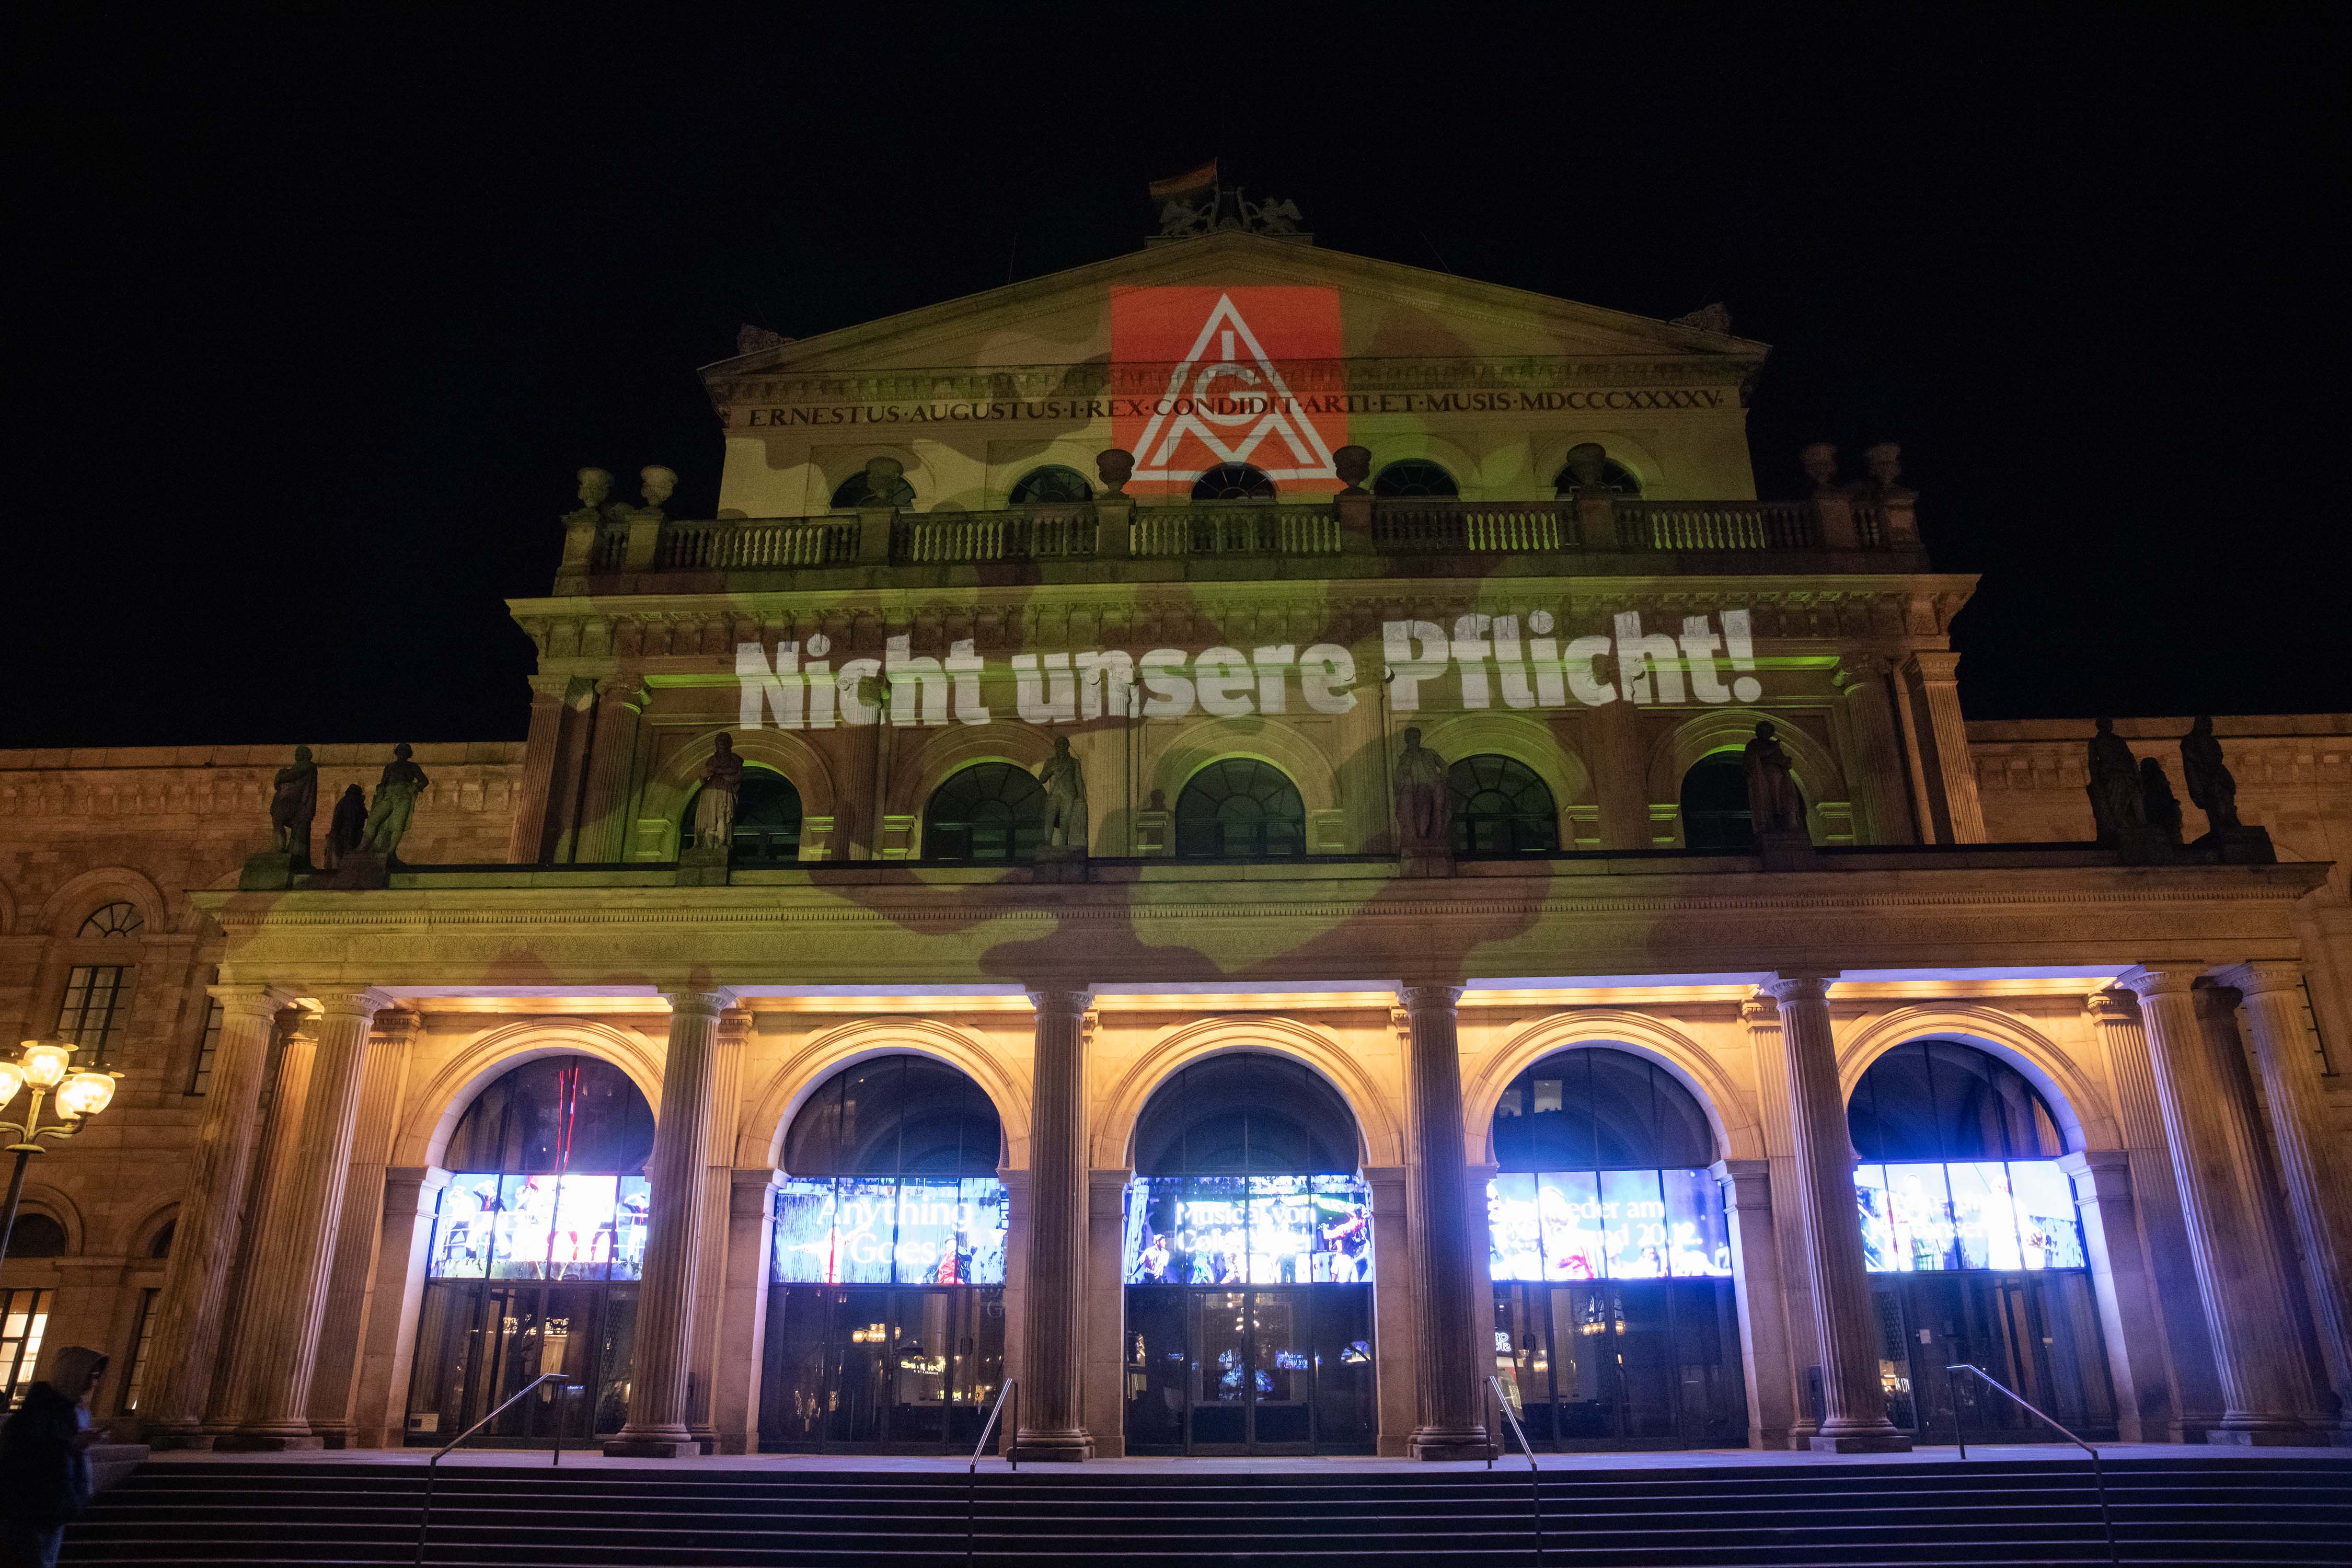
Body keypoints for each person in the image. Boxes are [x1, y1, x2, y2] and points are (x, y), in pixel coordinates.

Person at [0, 1345, 109, 1568]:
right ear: (73, 1373)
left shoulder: (70, 1413)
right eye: (91, 1376)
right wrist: (69, 1446)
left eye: (96, 1377)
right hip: (30, 1517)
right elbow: (22, 1459)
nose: (93, 1384)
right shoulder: (36, 1415)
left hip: (54, 1514)